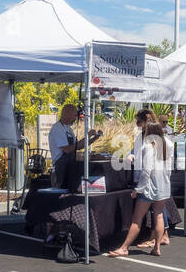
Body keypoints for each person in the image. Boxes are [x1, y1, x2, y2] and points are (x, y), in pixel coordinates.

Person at [108, 122, 170, 257]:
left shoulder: (148, 147)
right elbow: (169, 169)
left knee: (137, 219)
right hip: (164, 186)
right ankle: (157, 247)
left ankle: (124, 248)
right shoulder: (166, 145)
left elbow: (146, 170)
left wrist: (139, 189)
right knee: (158, 216)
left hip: (149, 187)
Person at [48, 104, 99, 192]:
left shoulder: (68, 129)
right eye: (75, 115)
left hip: (70, 168)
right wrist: (88, 135)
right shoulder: (57, 128)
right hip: (60, 170)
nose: (76, 118)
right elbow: (67, 149)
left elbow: (78, 146)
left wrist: (94, 138)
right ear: (67, 114)